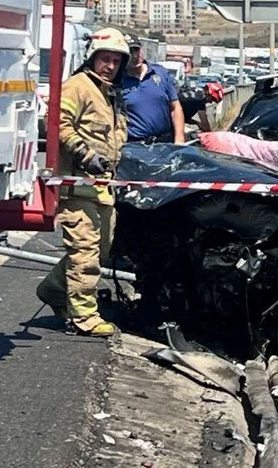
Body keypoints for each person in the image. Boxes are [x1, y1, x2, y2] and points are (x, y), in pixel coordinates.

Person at [35, 28, 130, 336]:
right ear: (92, 58)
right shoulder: (78, 87)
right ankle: (85, 317)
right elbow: (58, 123)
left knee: (98, 253)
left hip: (102, 191)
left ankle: (53, 289)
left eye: (116, 61)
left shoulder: (110, 94)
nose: (111, 66)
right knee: (84, 254)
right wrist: (84, 153)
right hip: (78, 189)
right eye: (105, 59)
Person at [122, 34, 185, 144]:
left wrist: (179, 140)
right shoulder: (118, 81)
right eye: (130, 52)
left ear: (141, 49)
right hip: (135, 146)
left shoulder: (160, 72)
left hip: (165, 143)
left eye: (136, 50)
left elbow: (175, 107)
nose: (135, 56)